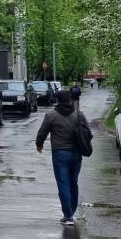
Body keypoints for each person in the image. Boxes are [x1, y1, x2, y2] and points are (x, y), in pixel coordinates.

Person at [36, 89, 88, 225]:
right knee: (73, 182)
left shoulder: (51, 115)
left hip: (60, 154)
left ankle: (68, 216)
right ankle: (72, 211)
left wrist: (39, 145)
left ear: (57, 100)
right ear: (69, 99)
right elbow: (88, 133)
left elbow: (42, 132)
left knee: (63, 184)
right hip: (76, 154)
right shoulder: (79, 114)